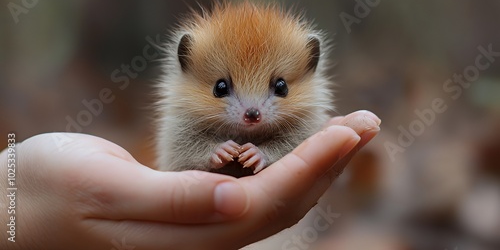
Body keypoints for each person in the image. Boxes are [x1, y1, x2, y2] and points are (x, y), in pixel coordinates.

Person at [0, 110, 380, 250]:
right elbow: (180, 154)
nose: (250, 112)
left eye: (278, 89)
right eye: (221, 90)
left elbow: (298, 142)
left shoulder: (304, 117)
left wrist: (269, 154)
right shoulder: (183, 118)